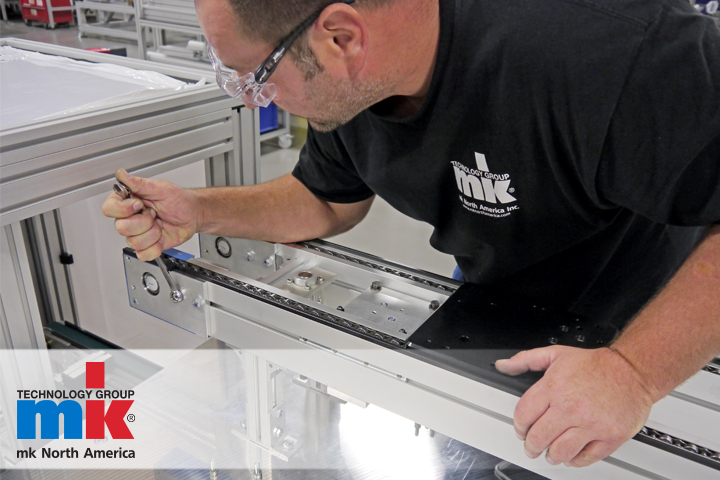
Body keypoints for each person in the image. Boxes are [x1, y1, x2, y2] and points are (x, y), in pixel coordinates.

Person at [103, 0, 720, 469]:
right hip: (496, 303)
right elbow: (326, 199)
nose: (256, 99)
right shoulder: (347, 86)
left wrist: (635, 373)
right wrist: (197, 210)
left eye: (255, 75)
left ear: (341, 37)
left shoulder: (610, 53)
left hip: (665, 330)